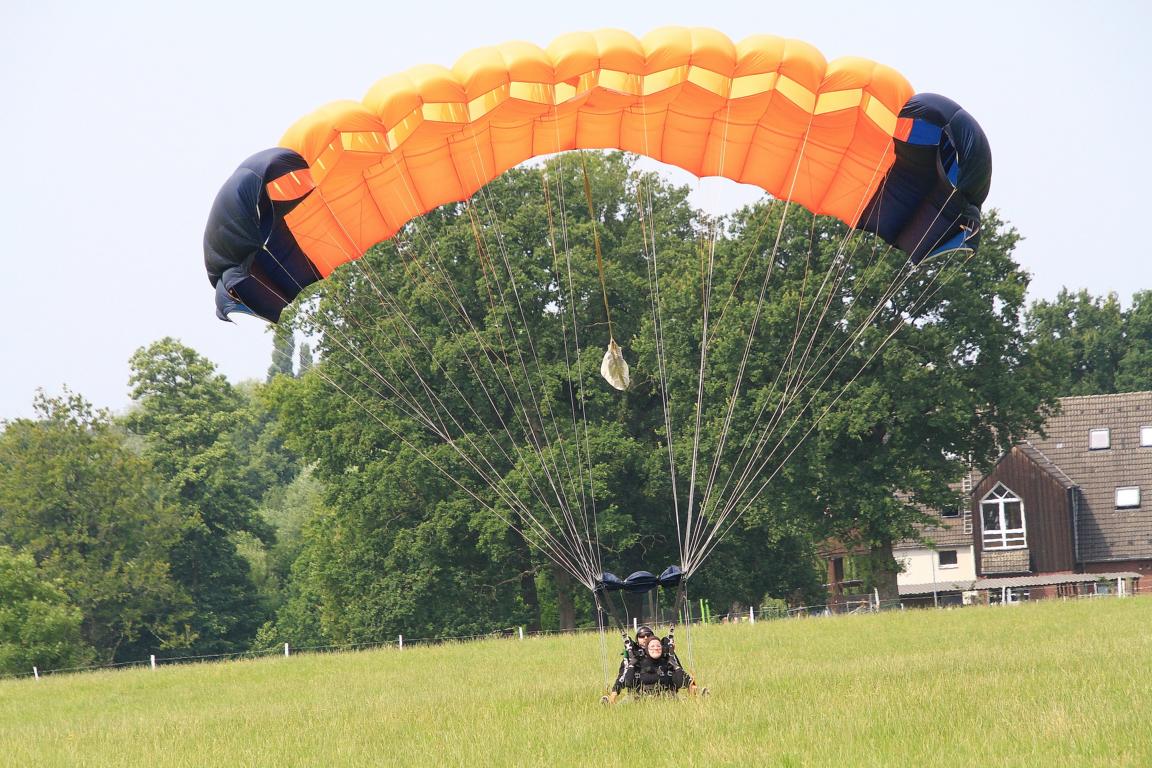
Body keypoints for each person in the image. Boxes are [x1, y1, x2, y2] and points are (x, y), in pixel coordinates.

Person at [601, 625, 703, 703]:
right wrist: (613, 695)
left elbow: (679, 672)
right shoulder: (633, 656)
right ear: (637, 639)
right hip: (639, 696)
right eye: (642, 636)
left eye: (648, 635)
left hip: (666, 694)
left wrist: (691, 686)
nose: (645, 638)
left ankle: (701, 697)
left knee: (683, 701)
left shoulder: (665, 655)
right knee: (625, 704)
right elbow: (622, 677)